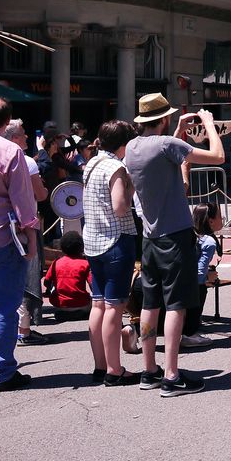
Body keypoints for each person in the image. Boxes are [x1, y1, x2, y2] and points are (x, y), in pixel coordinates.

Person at [124, 93, 225, 396]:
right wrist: (209, 124)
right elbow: (217, 156)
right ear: (164, 119)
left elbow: (163, 157)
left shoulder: (132, 147)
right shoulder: (168, 145)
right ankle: (171, 374)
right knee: (177, 305)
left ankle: (149, 370)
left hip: (151, 235)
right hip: (176, 235)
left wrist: (175, 132)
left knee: (150, 304)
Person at [83, 119, 140, 386]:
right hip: (116, 239)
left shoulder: (92, 163)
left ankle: (100, 365)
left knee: (97, 304)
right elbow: (119, 206)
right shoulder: (115, 167)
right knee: (114, 307)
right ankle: (115, 370)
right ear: (123, 144)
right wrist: (130, 189)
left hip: (93, 241)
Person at [0, 96, 39, 391]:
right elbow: (24, 203)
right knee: (4, 307)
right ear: (7, 121)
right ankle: (3, 371)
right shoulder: (9, 151)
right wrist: (31, 238)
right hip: (1, 237)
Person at [3, 119, 49, 346]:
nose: (27, 137)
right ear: (13, 137)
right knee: (25, 277)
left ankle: (16, 328)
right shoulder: (26, 161)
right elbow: (40, 195)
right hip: (23, 226)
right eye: (23, 133)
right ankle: (23, 328)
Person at [182, 203, 221, 348]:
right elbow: (199, 274)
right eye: (219, 217)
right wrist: (207, 278)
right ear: (210, 221)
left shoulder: (190, 234)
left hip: (176, 280)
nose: (222, 219)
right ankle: (190, 333)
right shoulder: (209, 242)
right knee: (201, 288)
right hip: (191, 285)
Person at [44, 231, 91, 319]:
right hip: (80, 303)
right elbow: (92, 284)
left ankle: (65, 313)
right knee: (94, 303)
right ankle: (81, 314)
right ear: (81, 247)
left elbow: (46, 282)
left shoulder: (56, 262)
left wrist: (51, 290)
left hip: (59, 304)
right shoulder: (85, 264)